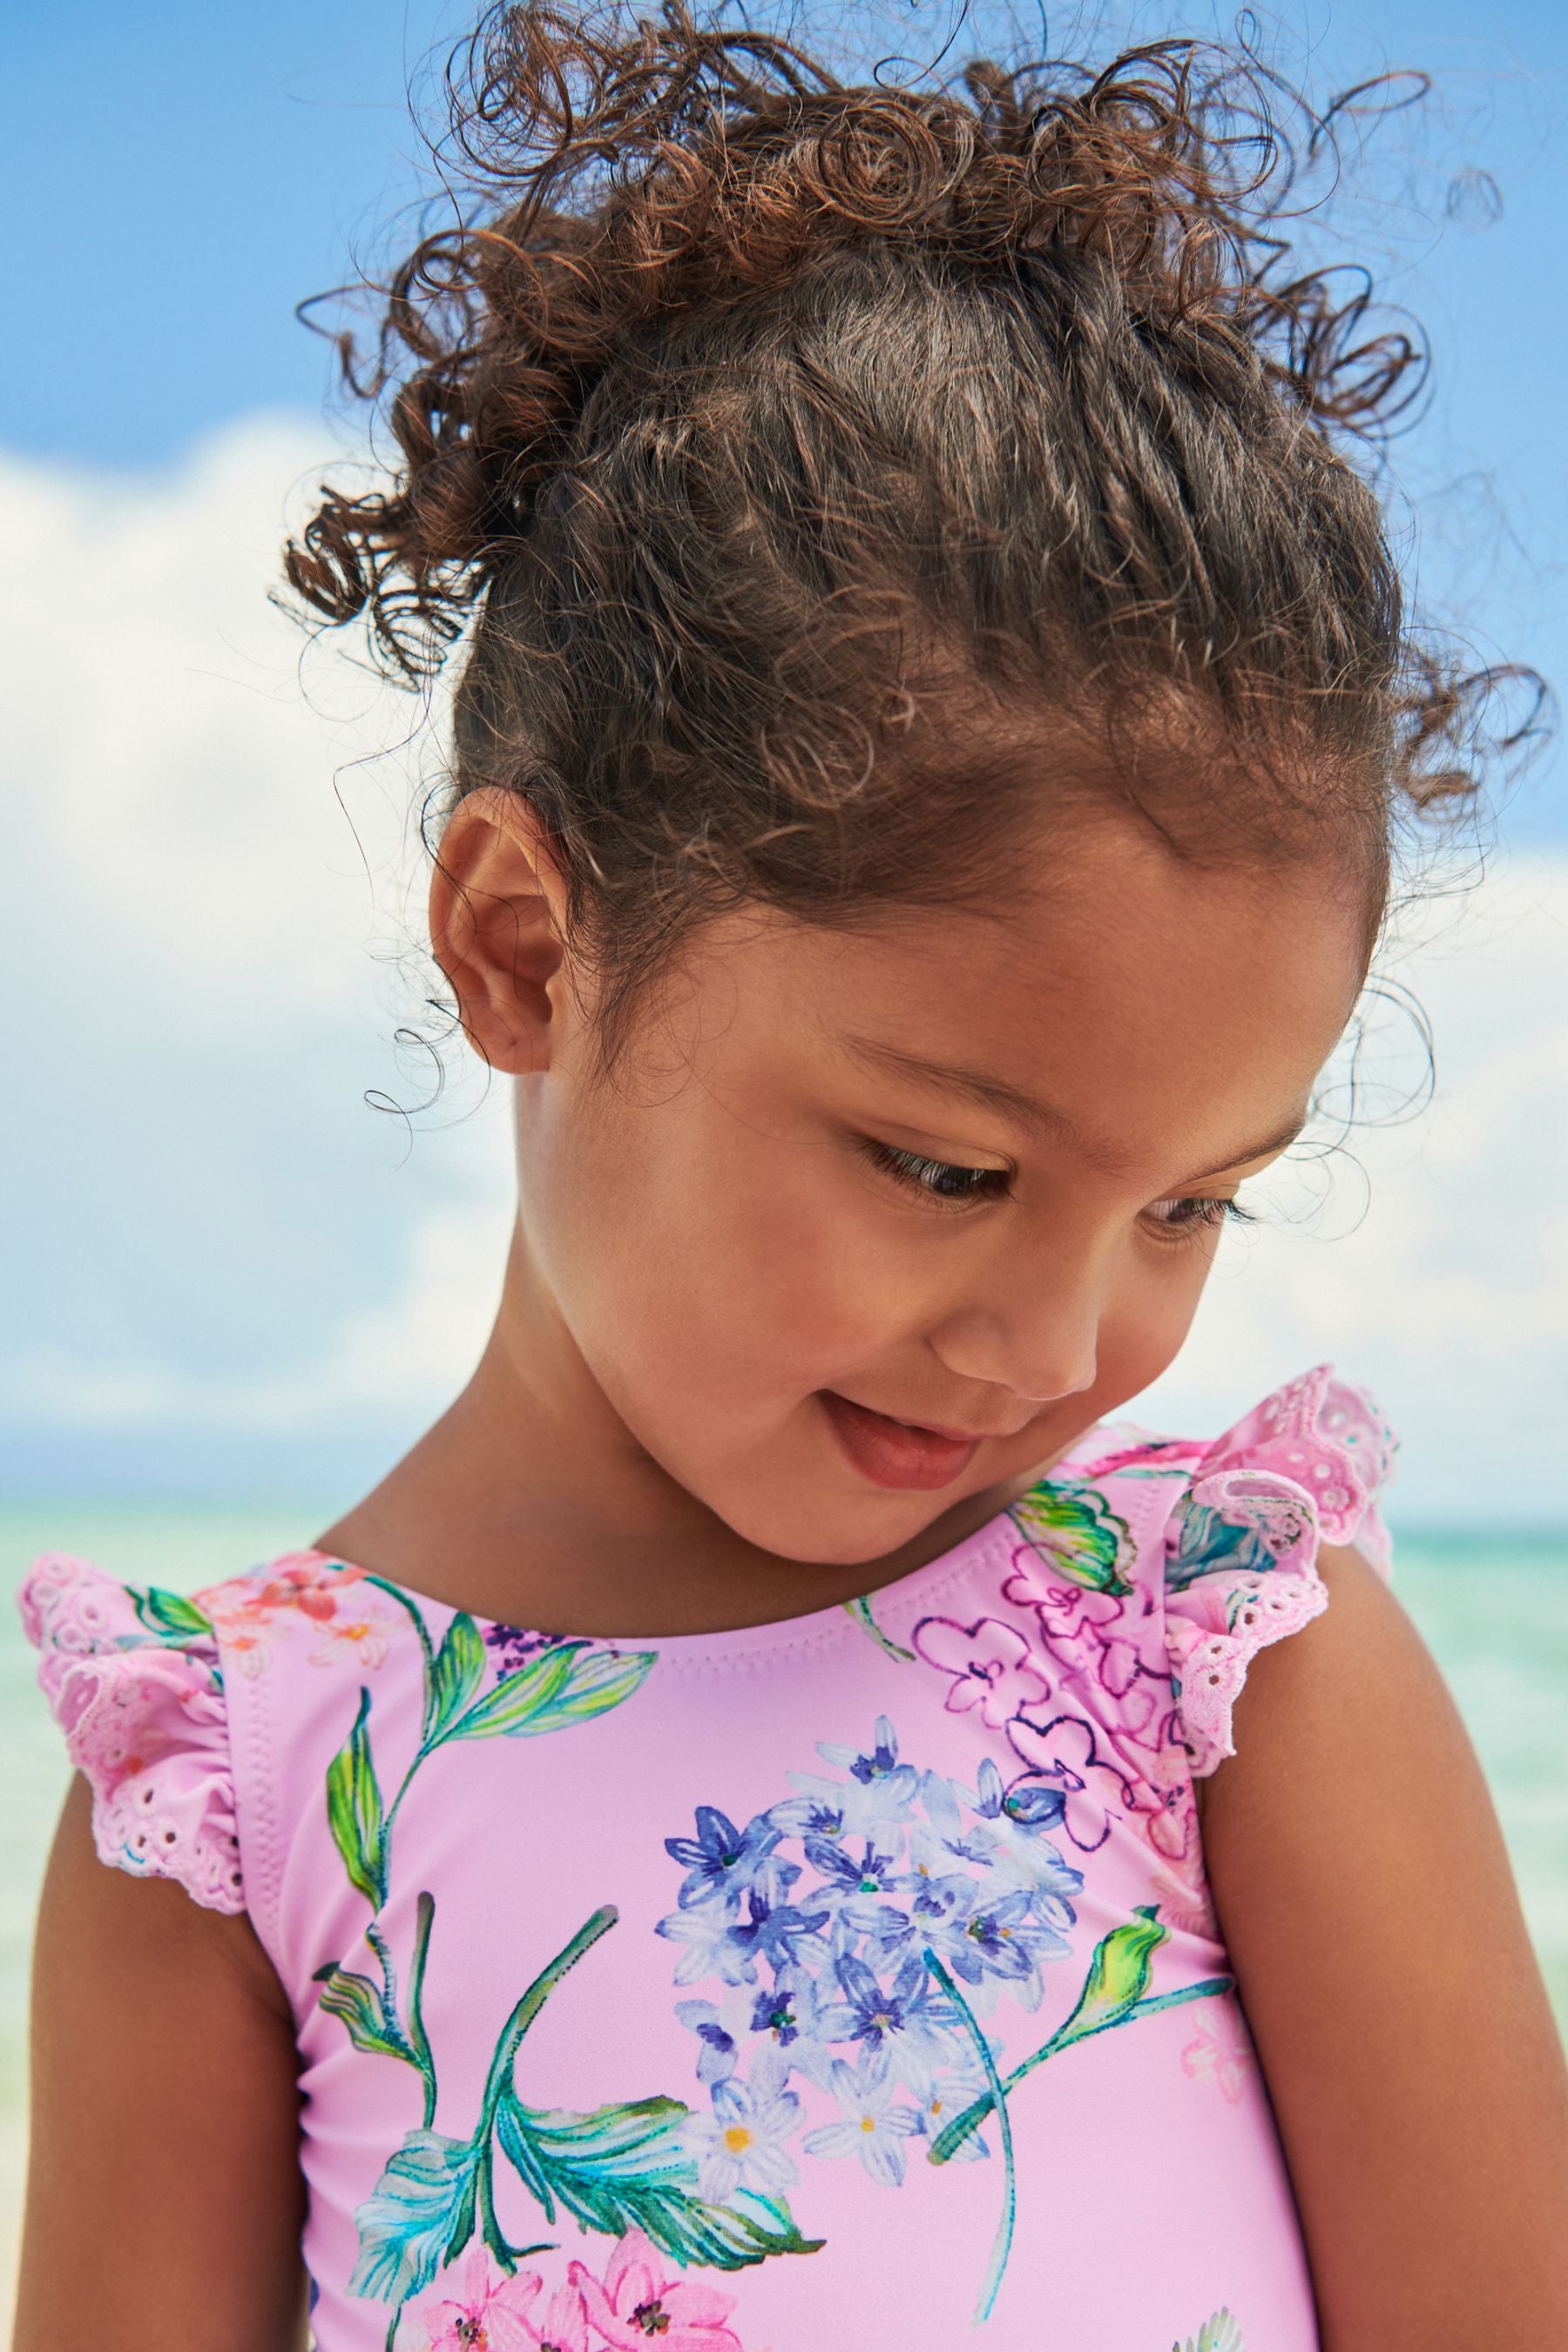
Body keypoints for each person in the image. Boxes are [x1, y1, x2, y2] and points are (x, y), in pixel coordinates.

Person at [16, 8, 1568, 2348]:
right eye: (947, 1165)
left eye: (1190, 1203)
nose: (1062, 1343)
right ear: (527, 944)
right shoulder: (238, 1809)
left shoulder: (1220, 1669)